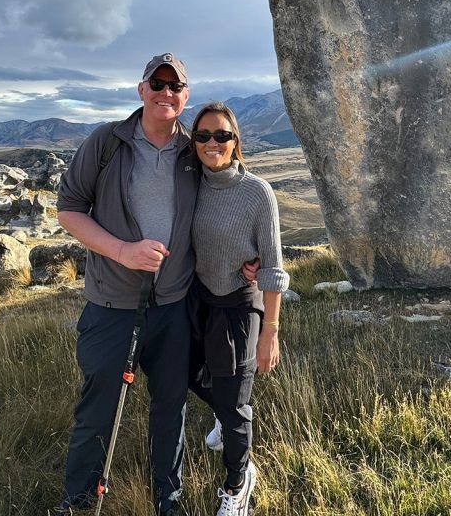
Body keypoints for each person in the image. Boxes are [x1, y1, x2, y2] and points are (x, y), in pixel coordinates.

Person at [55, 54, 256, 516]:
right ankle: (78, 502)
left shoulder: (195, 149)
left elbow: (230, 200)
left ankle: (169, 503)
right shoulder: (107, 142)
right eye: (157, 84)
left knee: (170, 409)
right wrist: (123, 252)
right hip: (112, 303)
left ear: (185, 96)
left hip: (173, 307)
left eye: (175, 86)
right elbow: (69, 210)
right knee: (98, 408)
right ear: (141, 89)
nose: (166, 93)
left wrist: (251, 251)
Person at [187, 102, 289, 516]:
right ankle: (222, 416)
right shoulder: (191, 184)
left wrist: (271, 331)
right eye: (203, 136)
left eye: (222, 135)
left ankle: (237, 483)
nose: (213, 143)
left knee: (235, 407)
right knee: (187, 374)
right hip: (198, 300)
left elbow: (274, 268)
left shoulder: (256, 193)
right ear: (193, 142)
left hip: (238, 308)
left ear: (236, 142)